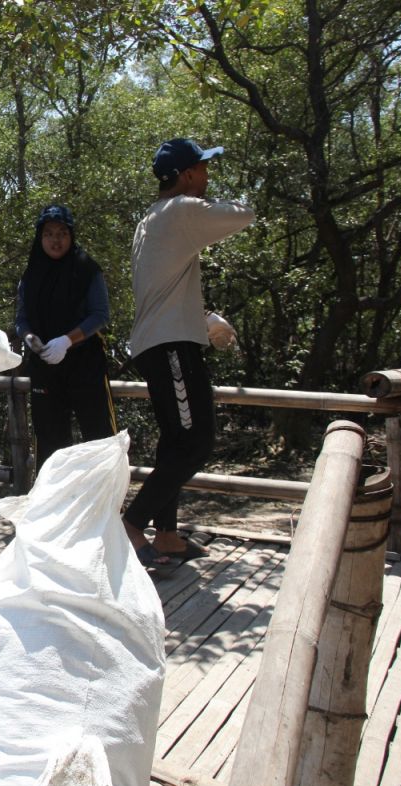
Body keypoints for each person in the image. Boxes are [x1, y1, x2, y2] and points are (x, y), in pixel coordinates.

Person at [122, 138, 254, 567]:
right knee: (197, 442)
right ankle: (132, 525)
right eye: (203, 168)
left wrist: (203, 317)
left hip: (164, 342)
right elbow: (244, 214)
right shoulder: (179, 211)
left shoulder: (150, 220)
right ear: (186, 175)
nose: (207, 176)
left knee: (176, 442)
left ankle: (167, 535)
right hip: (170, 346)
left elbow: (164, 289)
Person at [13, 204, 116, 473]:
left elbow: (100, 314)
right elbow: (21, 319)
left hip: (85, 363)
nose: (55, 240)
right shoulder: (30, 275)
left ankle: (107, 497)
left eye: (62, 233)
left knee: (100, 437)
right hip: (45, 365)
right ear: (40, 237)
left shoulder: (87, 268)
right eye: (49, 234)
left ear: (71, 235)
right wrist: (29, 337)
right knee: (50, 443)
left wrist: (67, 340)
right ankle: (54, 499)